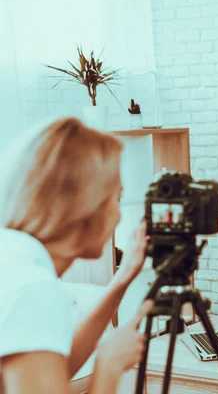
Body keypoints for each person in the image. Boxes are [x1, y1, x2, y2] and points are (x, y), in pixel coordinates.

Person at [0, 117, 153, 393]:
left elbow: (52, 370)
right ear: (87, 205)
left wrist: (124, 276)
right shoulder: (32, 290)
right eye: (116, 197)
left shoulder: (13, 260)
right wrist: (108, 367)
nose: (119, 215)